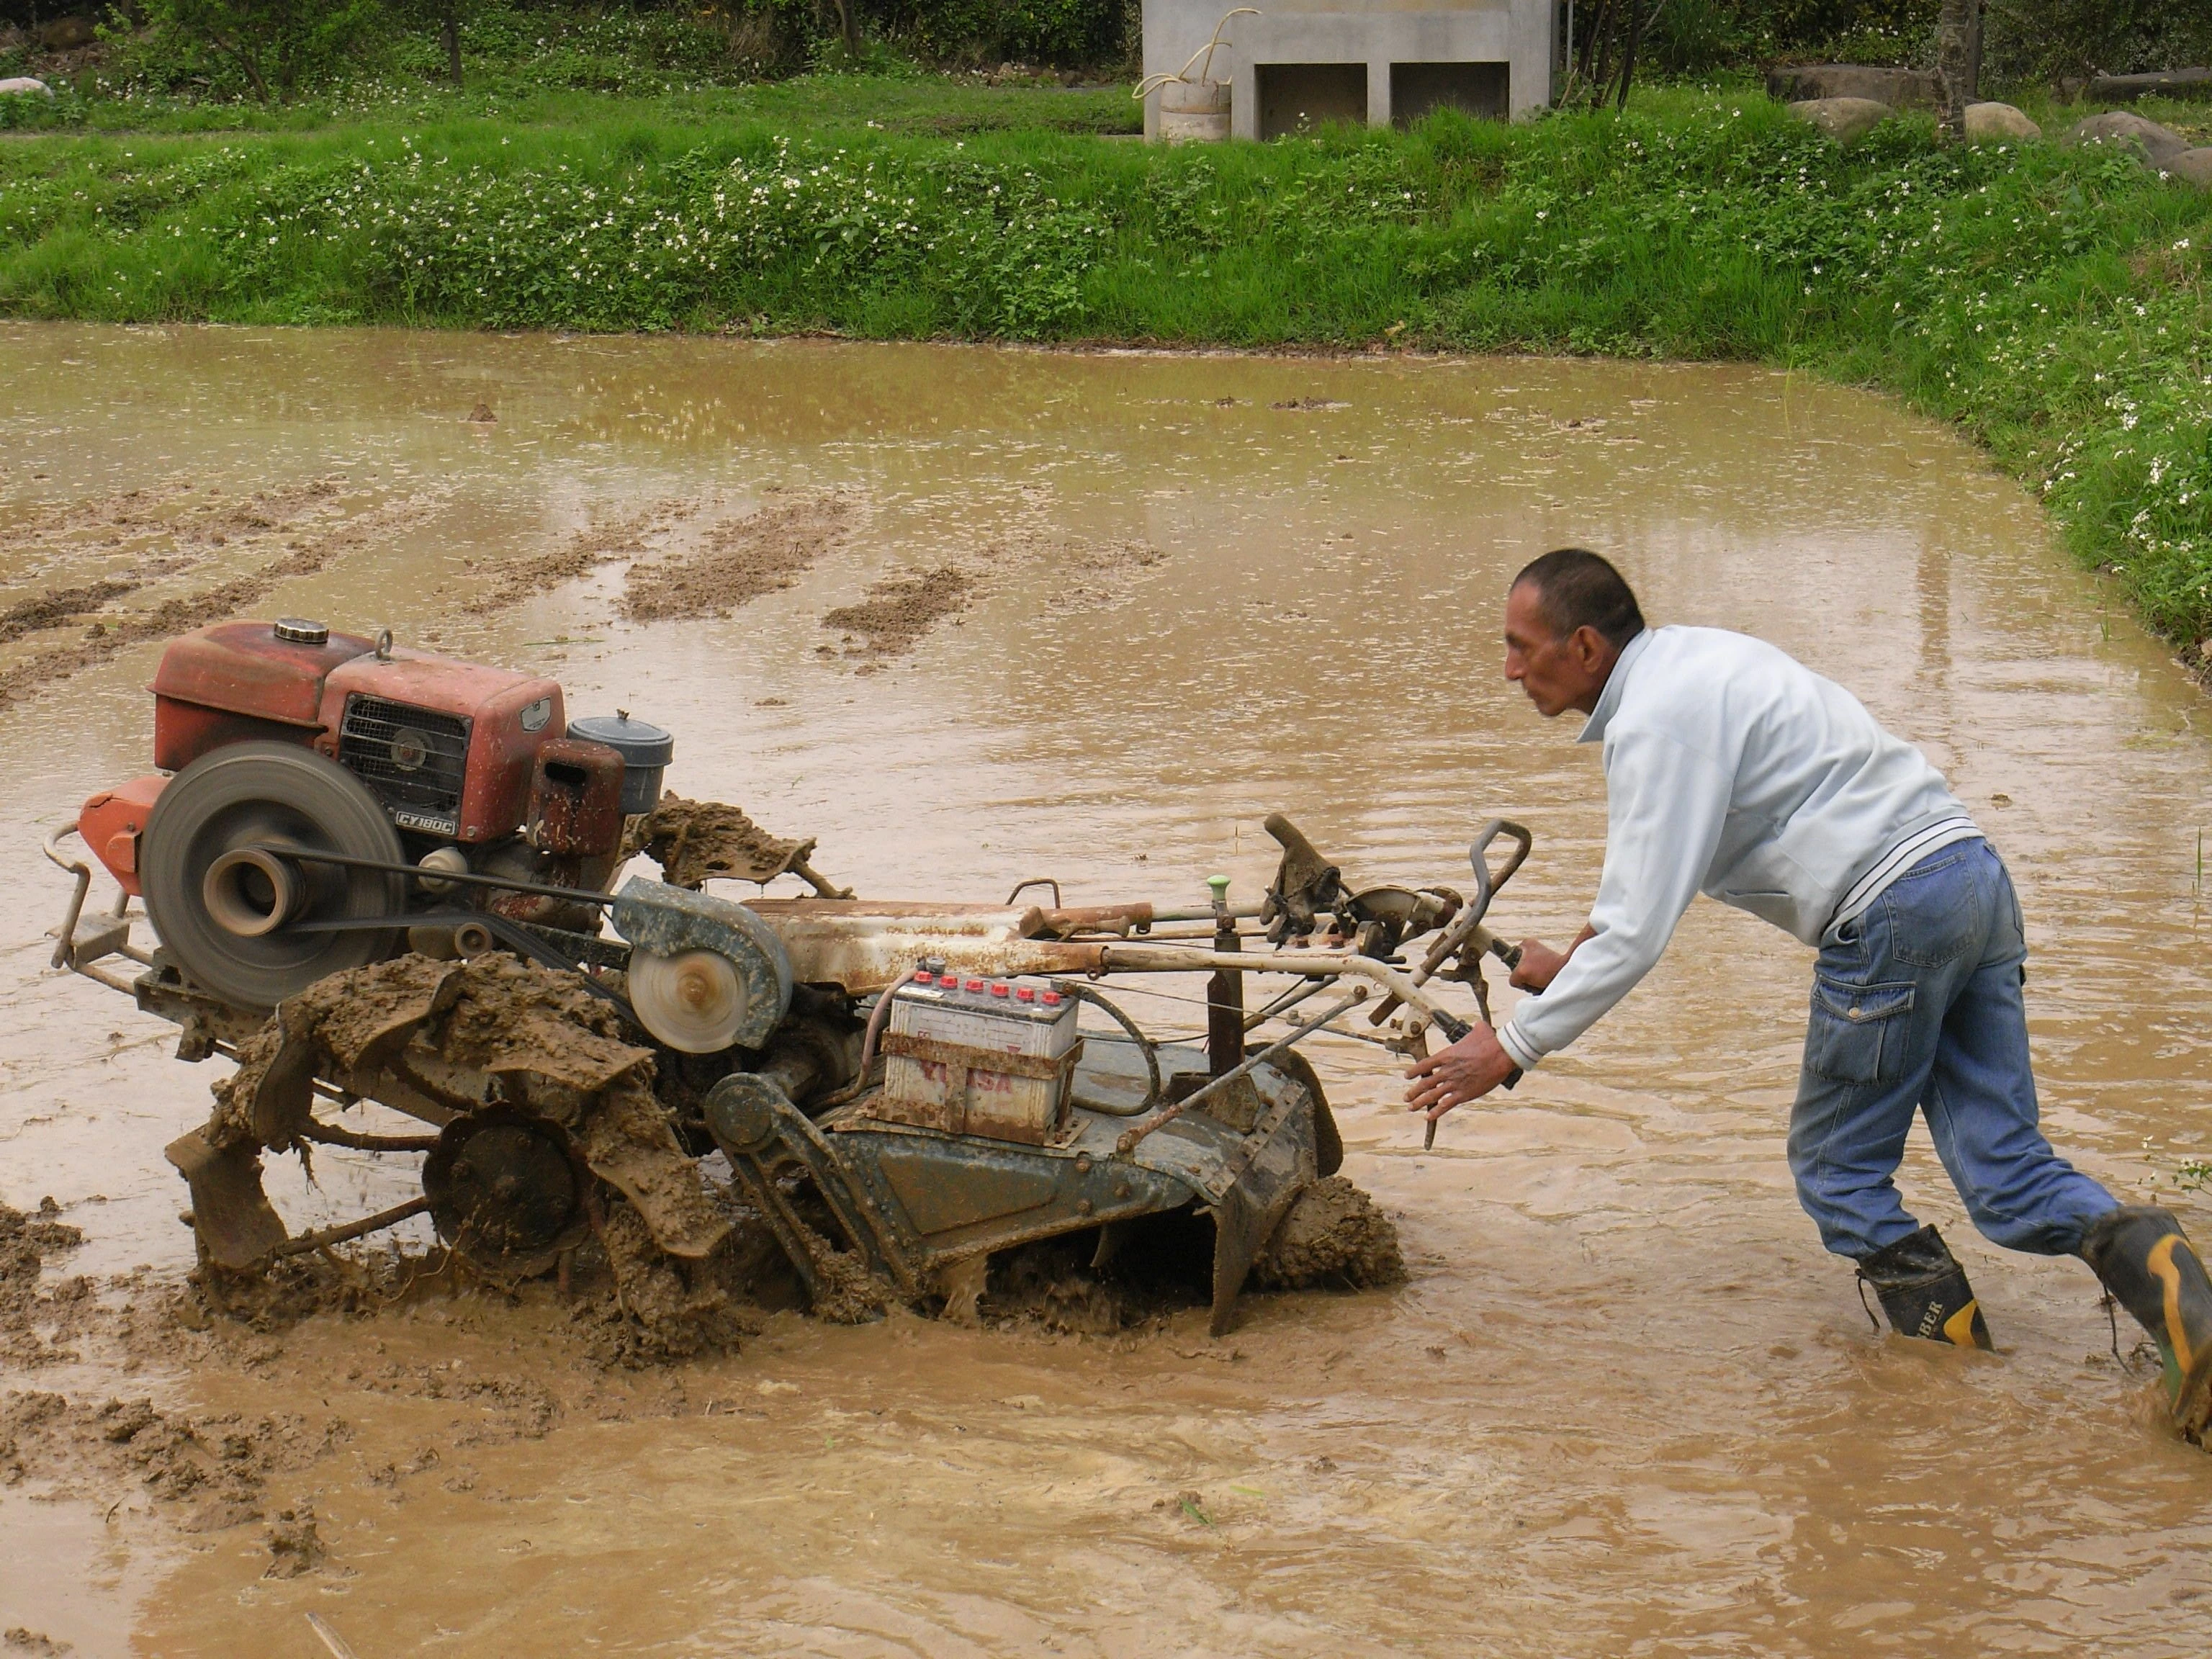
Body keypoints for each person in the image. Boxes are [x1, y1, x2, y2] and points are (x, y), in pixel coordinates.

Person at [1405, 547, 2212, 1441]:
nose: (1511, 669)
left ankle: (1945, 1413)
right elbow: (1643, 889)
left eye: (1522, 647)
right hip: (1968, 876)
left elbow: (1639, 928)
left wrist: (1509, 1047)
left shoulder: (1657, 724)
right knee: (2008, 1175)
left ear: (1586, 646)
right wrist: (1578, 959)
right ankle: (2181, 1297)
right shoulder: (1700, 663)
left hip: (1892, 912)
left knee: (1837, 1172)